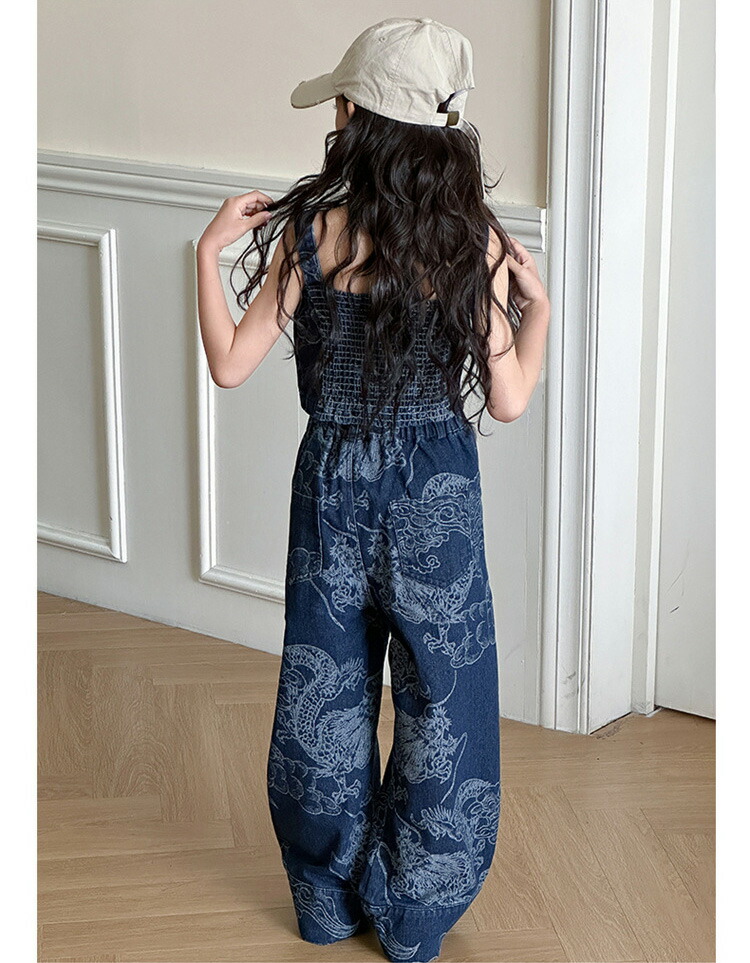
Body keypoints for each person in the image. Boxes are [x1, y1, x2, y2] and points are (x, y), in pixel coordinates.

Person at [196, 17, 550, 963]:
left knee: (325, 685)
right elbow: (509, 399)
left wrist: (206, 254)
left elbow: (230, 364)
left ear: (355, 116)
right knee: (445, 700)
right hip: (437, 492)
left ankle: (325, 903)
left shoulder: (312, 233)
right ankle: (415, 917)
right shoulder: (469, 243)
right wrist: (539, 314)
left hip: (332, 488)